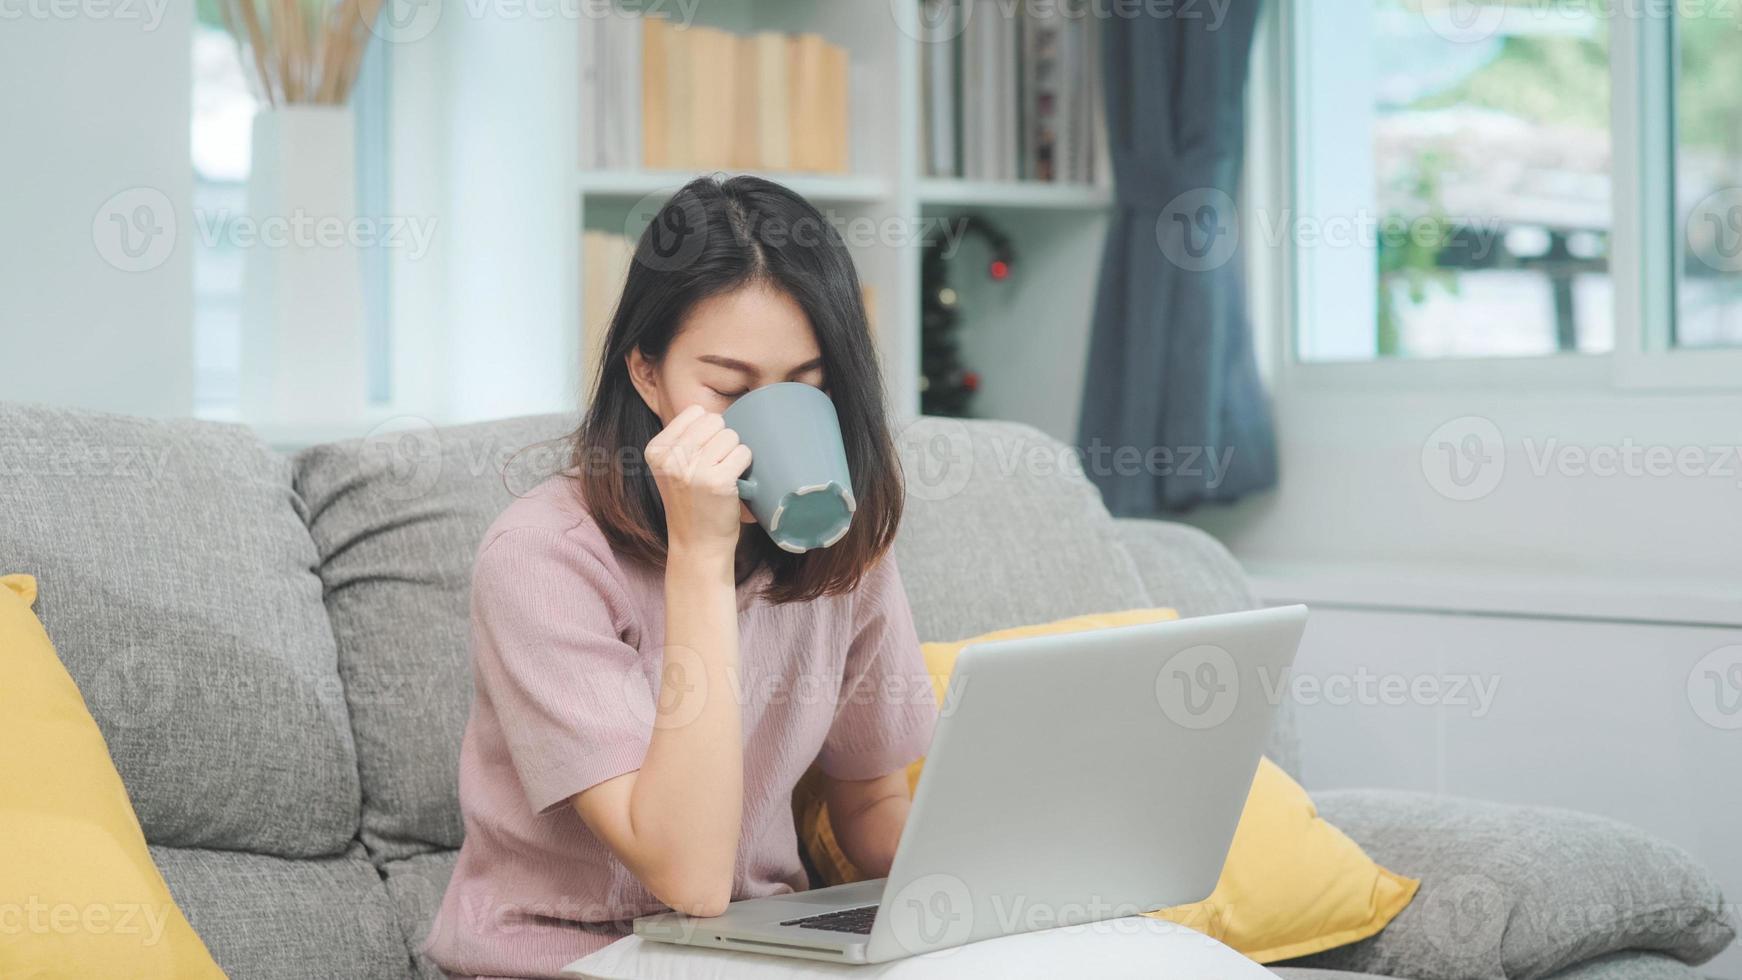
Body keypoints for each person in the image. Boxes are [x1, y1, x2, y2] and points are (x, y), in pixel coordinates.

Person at [426, 175, 938, 980]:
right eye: (730, 389)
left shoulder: (846, 550)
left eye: (807, 386)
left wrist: (1021, 889)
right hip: (561, 958)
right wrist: (701, 561)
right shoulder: (542, 557)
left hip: (759, 952)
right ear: (646, 373)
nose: (768, 423)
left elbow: (870, 807)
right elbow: (690, 875)